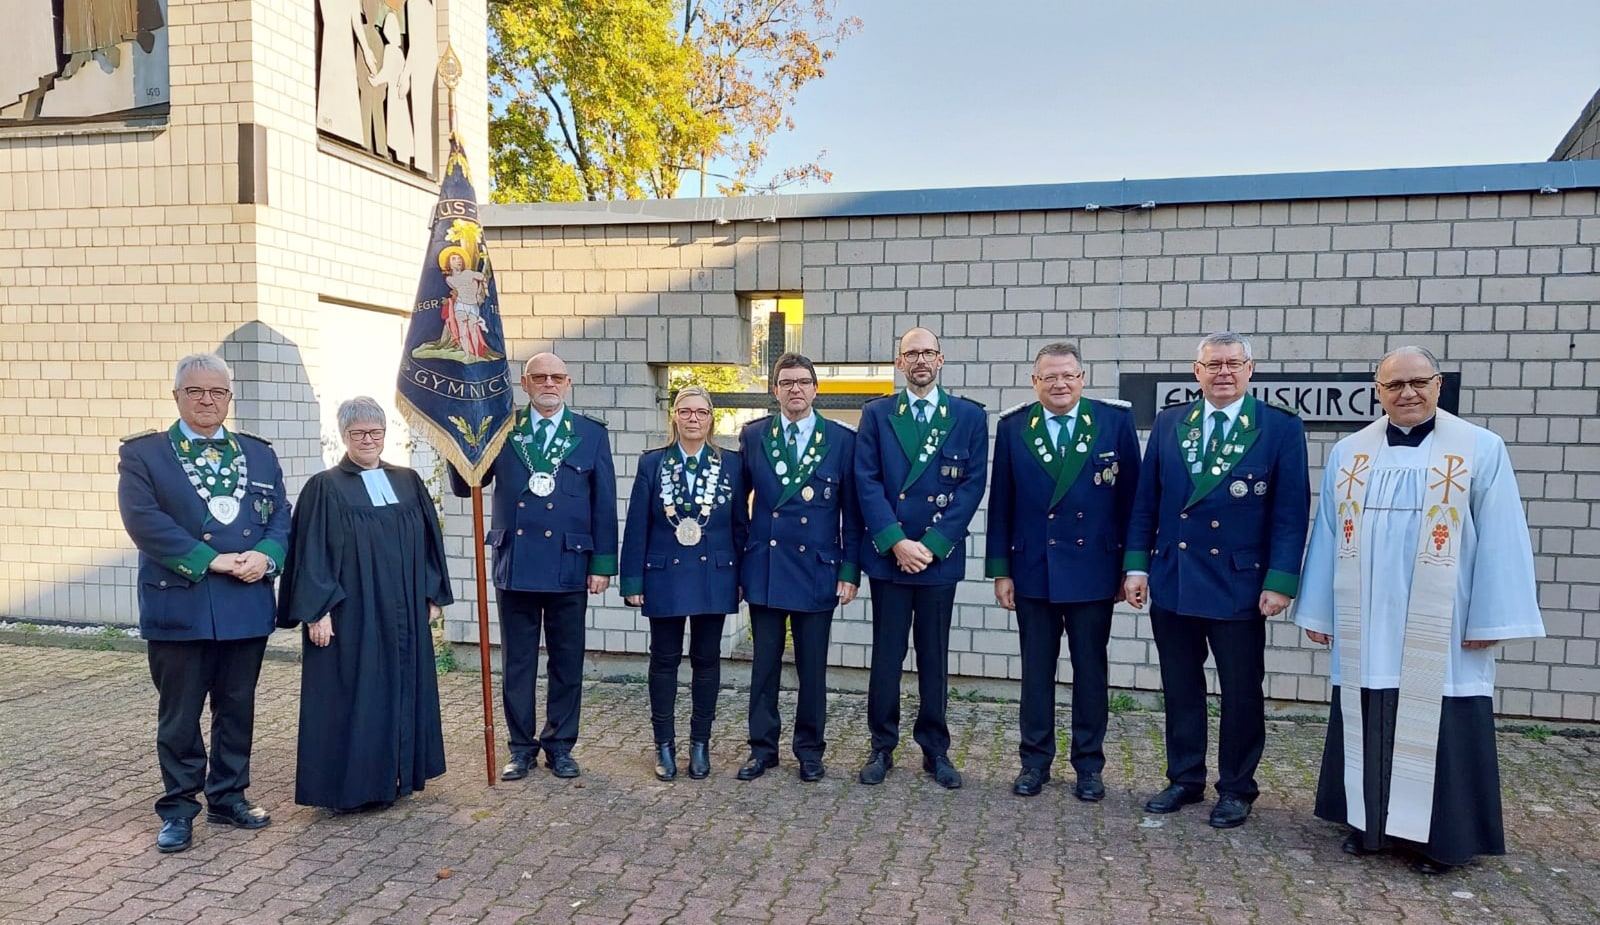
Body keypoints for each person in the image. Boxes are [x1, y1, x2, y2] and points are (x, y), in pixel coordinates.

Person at [1296, 346, 1544, 873]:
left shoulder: (1479, 448)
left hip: (1445, 622)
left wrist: (1489, 619)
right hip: (1367, 618)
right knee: (1370, 712)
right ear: (1377, 390)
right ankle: (1372, 829)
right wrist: (1320, 612)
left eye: (1418, 382)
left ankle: (1440, 840)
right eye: (1394, 385)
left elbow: (1503, 537)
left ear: (1438, 385)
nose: (1407, 393)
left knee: (1439, 721)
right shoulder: (1351, 452)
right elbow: (1326, 532)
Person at [1122, 331, 1310, 829]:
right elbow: (1147, 501)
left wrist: (1281, 580)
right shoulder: (1169, 423)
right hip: (1176, 578)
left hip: (1239, 584)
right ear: (1197, 371)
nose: (1223, 372)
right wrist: (1137, 566)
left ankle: (1236, 788)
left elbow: (1291, 512)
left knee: (1241, 691)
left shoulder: (1277, 428)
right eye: (1213, 364)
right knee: (1180, 686)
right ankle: (1185, 778)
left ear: (1251, 370)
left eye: (1233, 363)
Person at [117, 353, 289, 853]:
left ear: (229, 398)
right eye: (195, 391)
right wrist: (210, 559)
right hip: (181, 604)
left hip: (245, 601)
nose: (207, 400)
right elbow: (144, 521)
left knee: (237, 708)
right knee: (180, 715)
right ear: (177, 396)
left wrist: (267, 555)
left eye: (217, 392)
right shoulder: (145, 454)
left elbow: (280, 513)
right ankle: (178, 808)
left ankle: (229, 795)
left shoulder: (258, 454)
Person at [275, 397, 453, 812]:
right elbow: (312, 552)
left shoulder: (407, 481)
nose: (368, 440)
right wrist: (317, 612)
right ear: (344, 437)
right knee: (360, 694)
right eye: (358, 434)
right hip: (354, 614)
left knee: (401, 688)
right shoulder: (326, 487)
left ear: (385, 434)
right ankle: (354, 787)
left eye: (375, 432)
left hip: (405, 611)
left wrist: (431, 594)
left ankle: (397, 775)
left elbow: (429, 542)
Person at [449, 353, 617, 781]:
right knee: (518, 663)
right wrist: (455, 439)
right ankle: (521, 747)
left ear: (568, 382)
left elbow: (603, 504)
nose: (548, 383)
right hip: (517, 563)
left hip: (569, 563)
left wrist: (602, 565)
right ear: (524, 384)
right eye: (539, 377)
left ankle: (560, 746)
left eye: (556, 377)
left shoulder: (590, 434)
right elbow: (468, 485)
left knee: (567, 662)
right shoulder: (502, 430)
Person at [986, 343, 1141, 799]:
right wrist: (1001, 571)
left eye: (1068, 376)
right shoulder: (1014, 427)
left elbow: (1133, 502)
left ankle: (1089, 767)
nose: (1059, 384)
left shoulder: (1113, 422)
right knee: (1036, 672)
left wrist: (1132, 567)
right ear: (1035, 382)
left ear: (1083, 377)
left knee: (1090, 672)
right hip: (1034, 571)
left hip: (1094, 570)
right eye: (1049, 377)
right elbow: (1002, 505)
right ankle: (1034, 763)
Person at [854, 327, 989, 789]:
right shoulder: (876, 414)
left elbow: (972, 486)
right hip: (891, 557)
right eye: (911, 353)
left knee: (934, 657)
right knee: (886, 656)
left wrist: (930, 545)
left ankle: (936, 748)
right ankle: (881, 746)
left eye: (927, 352)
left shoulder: (968, 416)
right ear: (898, 362)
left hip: (937, 558)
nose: (920, 360)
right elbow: (866, 481)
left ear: (941, 359)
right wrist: (896, 541)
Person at [735, 353, 863, 783]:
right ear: (775, 391)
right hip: (767, 567)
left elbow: (853, 515)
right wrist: (738, 568)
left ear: (815, 389)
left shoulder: (842, 441)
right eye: (786, 382)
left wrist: (849, 571)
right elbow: (739, 509)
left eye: (803, 382)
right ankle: (762, 748)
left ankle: (809, 749)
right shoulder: (754, 437)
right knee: (764, 665)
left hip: (817, 570)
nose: (795, 389)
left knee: (812, 668)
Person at [621, 386, 749, 781]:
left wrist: (742, 577)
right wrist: (632, 579)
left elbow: (740, 526)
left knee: (707, 662)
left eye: (701, 412)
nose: (693, 418)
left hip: (715, 573)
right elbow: (637, 524)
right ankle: (664, 745)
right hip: (665, 574)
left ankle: (699, 744)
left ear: (711, 419)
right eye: (685, 411)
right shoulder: (652, 464)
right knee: (664, 661)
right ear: (674, 417)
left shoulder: (731, 464)